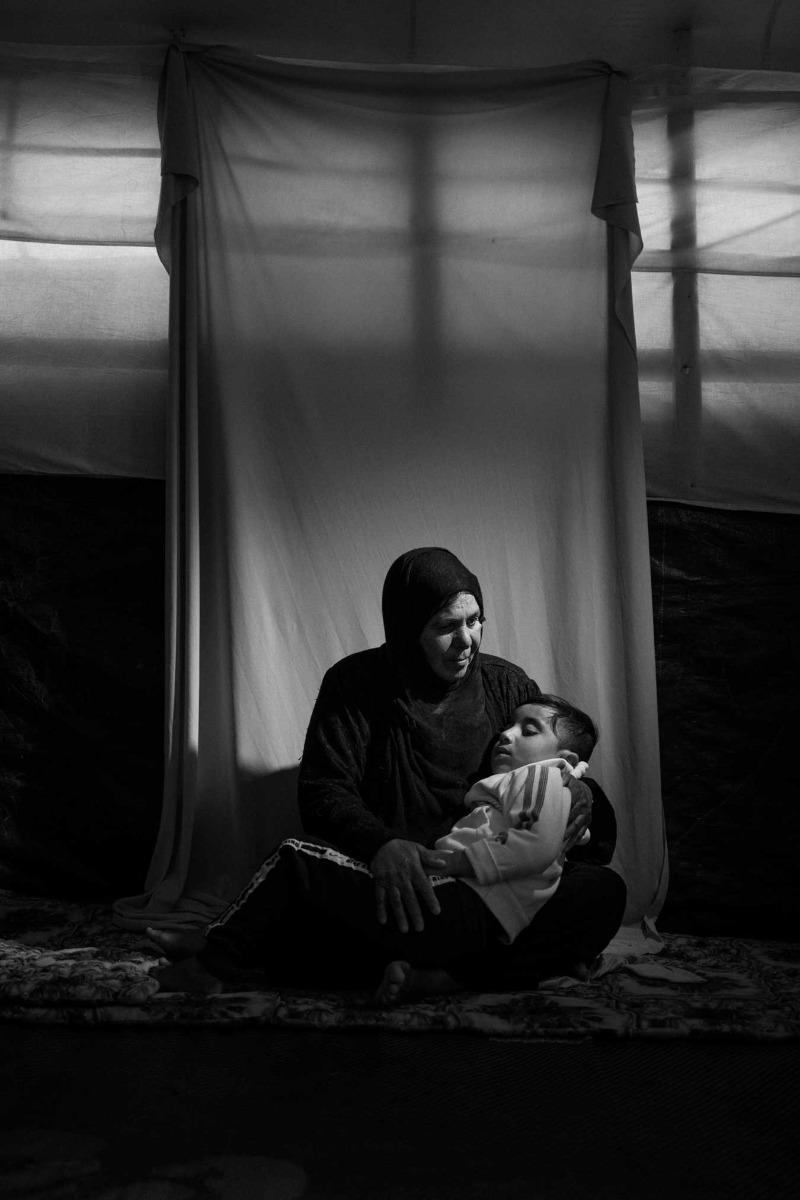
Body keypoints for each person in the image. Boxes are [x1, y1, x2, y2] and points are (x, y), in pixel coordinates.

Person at [149, 548, 625, 995]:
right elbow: (323, 792)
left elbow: (545, 768)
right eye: (446, 625)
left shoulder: (505, 685)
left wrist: (584, 793)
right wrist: (381, 845)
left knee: (601, 892)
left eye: (475, 621)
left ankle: (438, 977)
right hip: (395, 878)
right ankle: (487, 971)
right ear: (406, 626)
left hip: (487, 885)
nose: (467, 641)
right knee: (322, 895)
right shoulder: (355, 685)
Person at [148, 694, 597, 999]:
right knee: (317, 925)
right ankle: (227, 943)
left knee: (296, 858)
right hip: (464, 917)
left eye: (529, 729)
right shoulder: (531, 782)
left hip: (460, 904)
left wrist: (459, 861)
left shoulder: (542, 776)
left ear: (569, 761)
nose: (507, 734)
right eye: (509, 725)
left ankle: (211, 964)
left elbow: (535, 846)